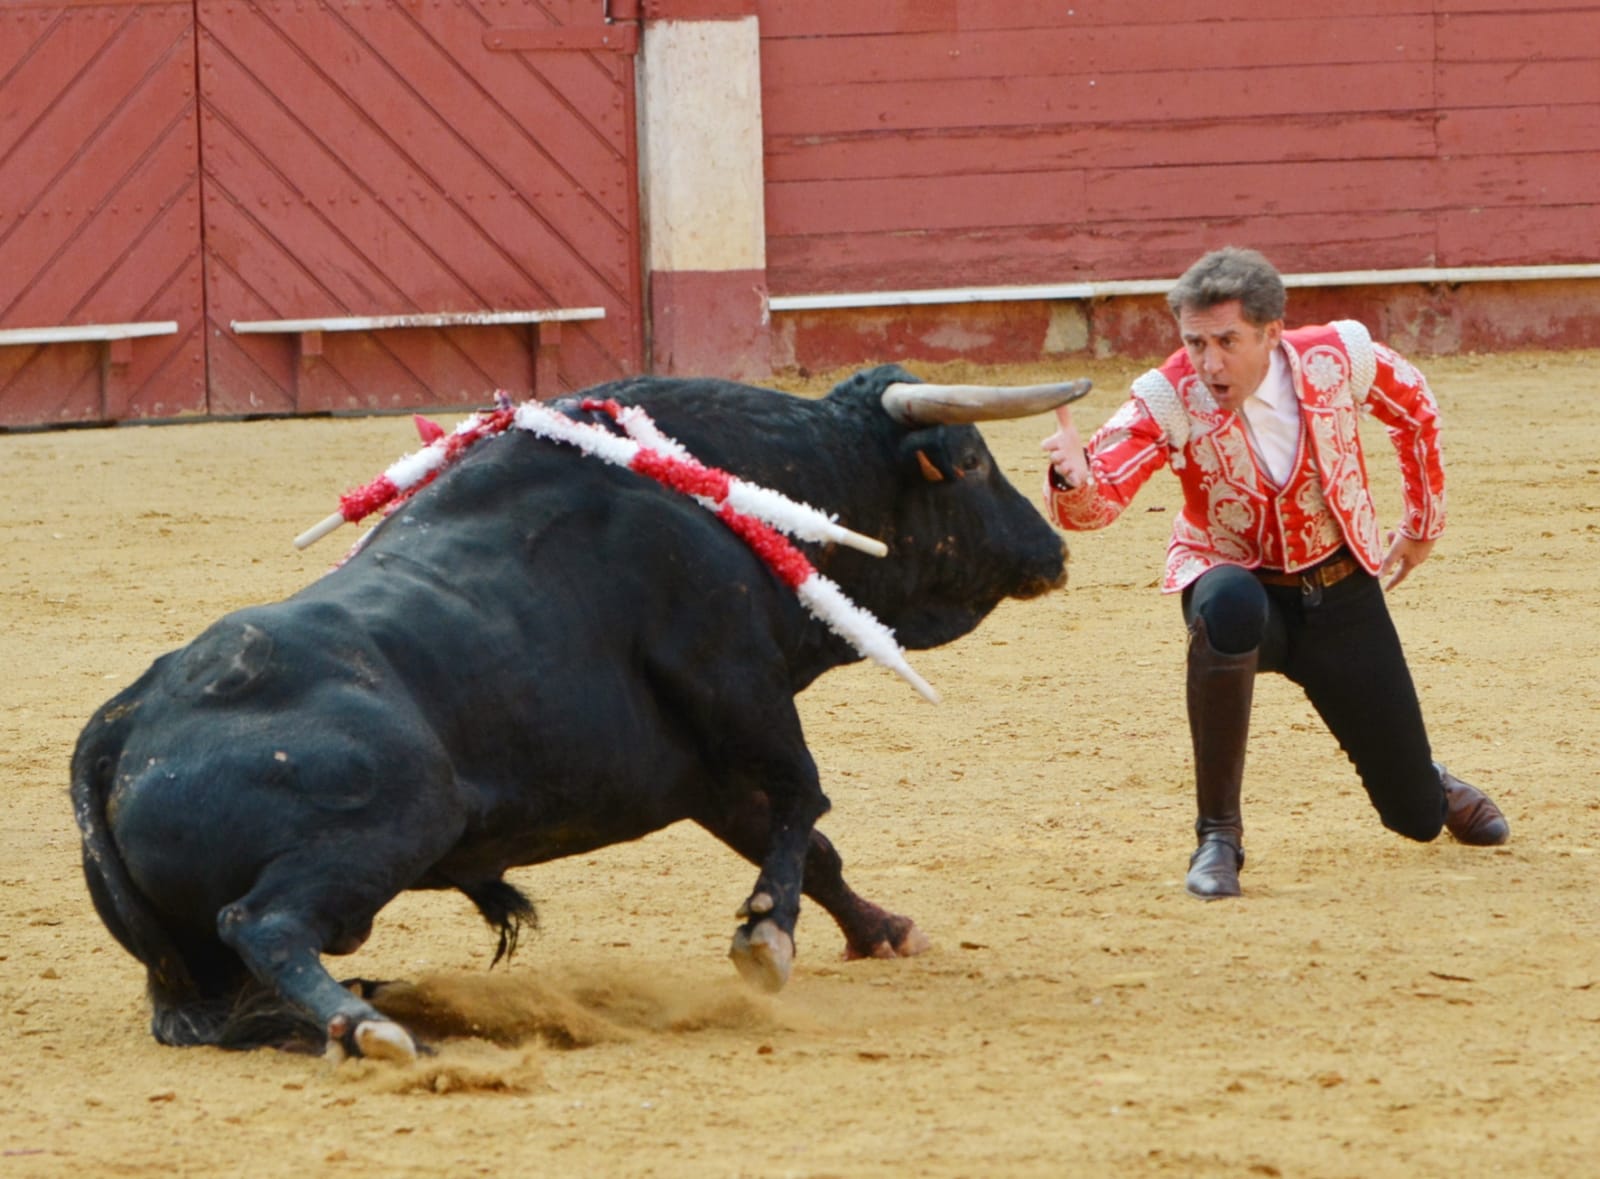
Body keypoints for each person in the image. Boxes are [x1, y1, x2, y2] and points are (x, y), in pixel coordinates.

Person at [1040, 246, 1509, 900]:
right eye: (1196, 342)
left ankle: (1429, 781)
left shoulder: (1337, 356)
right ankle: (1218, 836)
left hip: (1340, 589)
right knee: (1227, 600)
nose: (1209, 362)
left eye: (1227, 341)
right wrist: (1074, 472)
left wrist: (1422, 524)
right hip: (1241, 588)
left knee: (1415, 819)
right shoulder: (1168, 393)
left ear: (1271, 333)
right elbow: (1098, 500)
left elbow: (1415, 407)